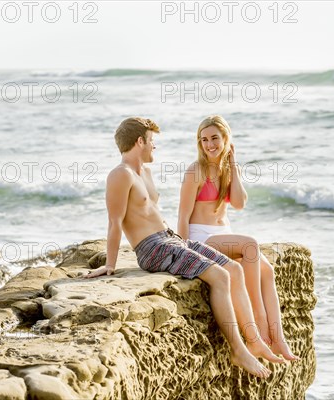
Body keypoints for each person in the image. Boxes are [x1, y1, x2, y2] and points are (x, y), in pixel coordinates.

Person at [85, 117, 284, 378]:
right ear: (140, 141)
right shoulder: (120, 175)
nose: (154, 147)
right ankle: (238, 349)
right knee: (220, 276)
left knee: (234, 269)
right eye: (151, 141)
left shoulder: (144, 172)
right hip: (152, 248)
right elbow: (115, 223)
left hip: (169, 239)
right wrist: (110, 265)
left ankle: (255, 340)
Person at [178, 115, 298, 361]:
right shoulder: (195, 170)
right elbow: (182, 216)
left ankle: (279, 340)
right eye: (204, 140)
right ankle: (260, 325)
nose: (209, 145)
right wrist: (183, 251)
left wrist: (233, 165)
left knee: (267, 272)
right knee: (250, 245)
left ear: (226, 139)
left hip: (224, 233)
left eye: (215, 138)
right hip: (202, 236)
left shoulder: (230, 169)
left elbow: (240, 204)